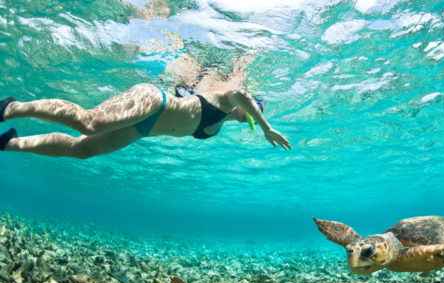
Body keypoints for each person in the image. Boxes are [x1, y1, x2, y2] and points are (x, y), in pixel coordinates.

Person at [0, 84, 292, 159]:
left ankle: (9, 142)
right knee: (88, 122)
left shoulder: (221, 124)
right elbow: (242, 93)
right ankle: (11, 107)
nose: (257, 110)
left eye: (260, 109)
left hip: (142, 130)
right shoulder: (226, 98)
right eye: (259, 106)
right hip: (153, 100)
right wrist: (266, 127)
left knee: (82, 149)